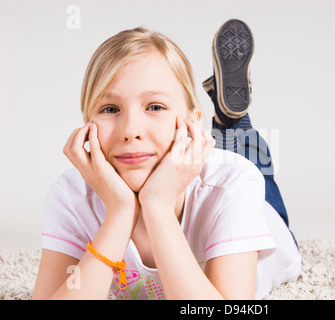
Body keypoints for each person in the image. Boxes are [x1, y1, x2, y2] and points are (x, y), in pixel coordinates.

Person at [33, 19, 301, 300]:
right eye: (110, 108)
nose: (131, 131)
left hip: (258, 207)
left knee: (247, 158)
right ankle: (227, 119)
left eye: (155, 106)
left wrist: (157, 206)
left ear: (191, 123)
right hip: (207, 174)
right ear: (87, 126)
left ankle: (232, 121)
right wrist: (119, 213)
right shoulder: (71, 195)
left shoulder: (234, 183)